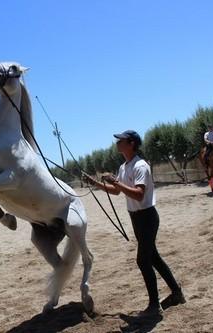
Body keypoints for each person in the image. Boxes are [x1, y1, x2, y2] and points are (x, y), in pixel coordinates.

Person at [83, 130, 185, 318]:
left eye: (120, 141)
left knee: (143, 260)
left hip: (147, 217)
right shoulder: (124, 167)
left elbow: (139, 194)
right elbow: (116, 191)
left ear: (131, 143)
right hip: (136, 219)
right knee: (153, 257)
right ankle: (176, 293)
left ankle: (154, 306)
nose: (117, 143)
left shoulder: (140, 166)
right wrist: (94, 182)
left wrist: (116, 182)